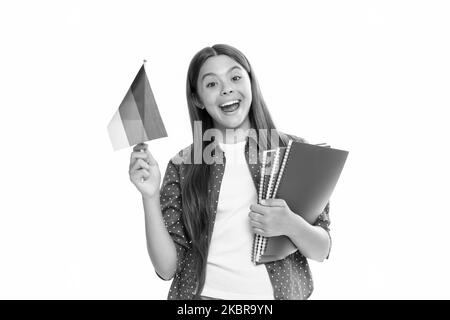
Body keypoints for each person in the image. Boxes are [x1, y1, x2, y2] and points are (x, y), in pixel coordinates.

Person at [128, 44, 331, 300]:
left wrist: (291, 225)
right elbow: (167, 268)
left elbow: (321, 250)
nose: (227, 88)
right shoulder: (183, 165)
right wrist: (149, 196)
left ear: (250, 83)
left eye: (235, 77)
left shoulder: (295, 153)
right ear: (197, 99)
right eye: (212, 84)